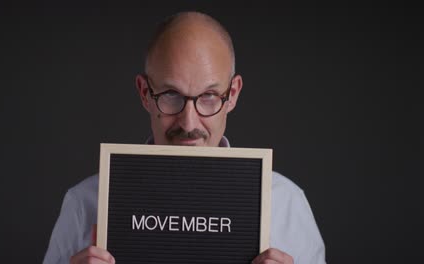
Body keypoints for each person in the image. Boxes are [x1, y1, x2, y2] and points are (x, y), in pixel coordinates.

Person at [43, 11, 326, 264]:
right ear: (145, 93)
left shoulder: (287, 203)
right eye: (171, 95)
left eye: (209, 96)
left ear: (233, 94)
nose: (189, 123)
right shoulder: (84, 203)